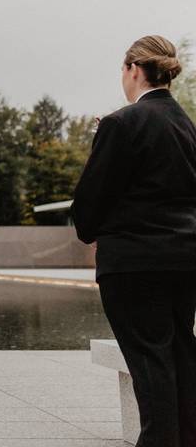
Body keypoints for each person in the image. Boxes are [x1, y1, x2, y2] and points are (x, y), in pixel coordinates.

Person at [72, 35, 196, 447]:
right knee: (181, 357)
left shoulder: (121, 123)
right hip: (185, 260)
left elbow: (91, 202)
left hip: (134, 262)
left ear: (132, 70)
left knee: (150, 361)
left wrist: (89, 229)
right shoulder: (186, 124)